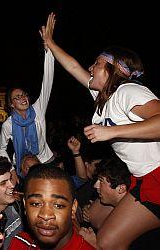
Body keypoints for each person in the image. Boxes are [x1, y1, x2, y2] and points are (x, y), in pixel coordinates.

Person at [43, 12, 160, 249]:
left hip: (156, 177)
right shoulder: (102, 96)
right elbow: (73, 66)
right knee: (94, 217)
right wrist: (50, 42)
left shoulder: (128, 92)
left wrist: (112, 132)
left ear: (112, 69)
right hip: (139, 177)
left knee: (107, 242)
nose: (90, 67)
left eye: (96, 63)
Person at [0, 166, 95, 250]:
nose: (45, 215)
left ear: (73, 208)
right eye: (35, 204)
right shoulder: (20, 243)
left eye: (58, 205)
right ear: (25, 205)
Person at [0, 14, 55, 179]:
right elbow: (1, 149)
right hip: (23, 166)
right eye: (17, 97)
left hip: (45, 161)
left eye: (23, 95)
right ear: (11, 104)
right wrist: (11, 169)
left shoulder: (38, 109)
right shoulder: (8, 125)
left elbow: (47, 81)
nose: (22, 98)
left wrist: (48, 49)